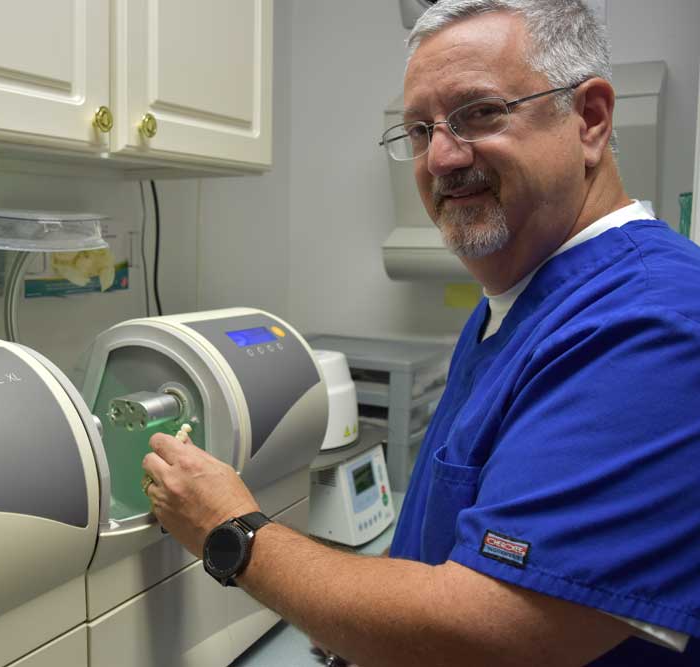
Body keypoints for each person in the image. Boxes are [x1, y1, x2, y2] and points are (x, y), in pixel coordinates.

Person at [141, 0, 700, 664]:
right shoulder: (516, 298)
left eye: (479, 113)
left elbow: (485, 631)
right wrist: (346, 615)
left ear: (591, 119)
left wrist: (230, 529)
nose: (440, 156)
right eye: (417, 129)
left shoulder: (653, 318)